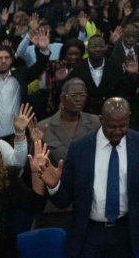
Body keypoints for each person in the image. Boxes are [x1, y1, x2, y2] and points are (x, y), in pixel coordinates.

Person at [42, 98, 139, 258]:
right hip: (88, 233)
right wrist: (54, 186)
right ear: (101, 119)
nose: (117, 131)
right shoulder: (80, 148)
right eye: (111, 126)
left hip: (124, 232)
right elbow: (64, 200)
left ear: (129, 118)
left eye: (123, 126)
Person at [36, 78, 99, 229]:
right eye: (73, 95)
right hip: (55, 205)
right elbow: (36, 167)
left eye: (82, 95)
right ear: (62, 97)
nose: (78, 99)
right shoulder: (44, 127)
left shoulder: (96, 123)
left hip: (88, 201)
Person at [0, 38, 49, 140]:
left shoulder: (20, 75)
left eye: (7, 58)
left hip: (16, 136)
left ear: (11, 60)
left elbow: (39, 66)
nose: (3, 61)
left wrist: (44, 49)